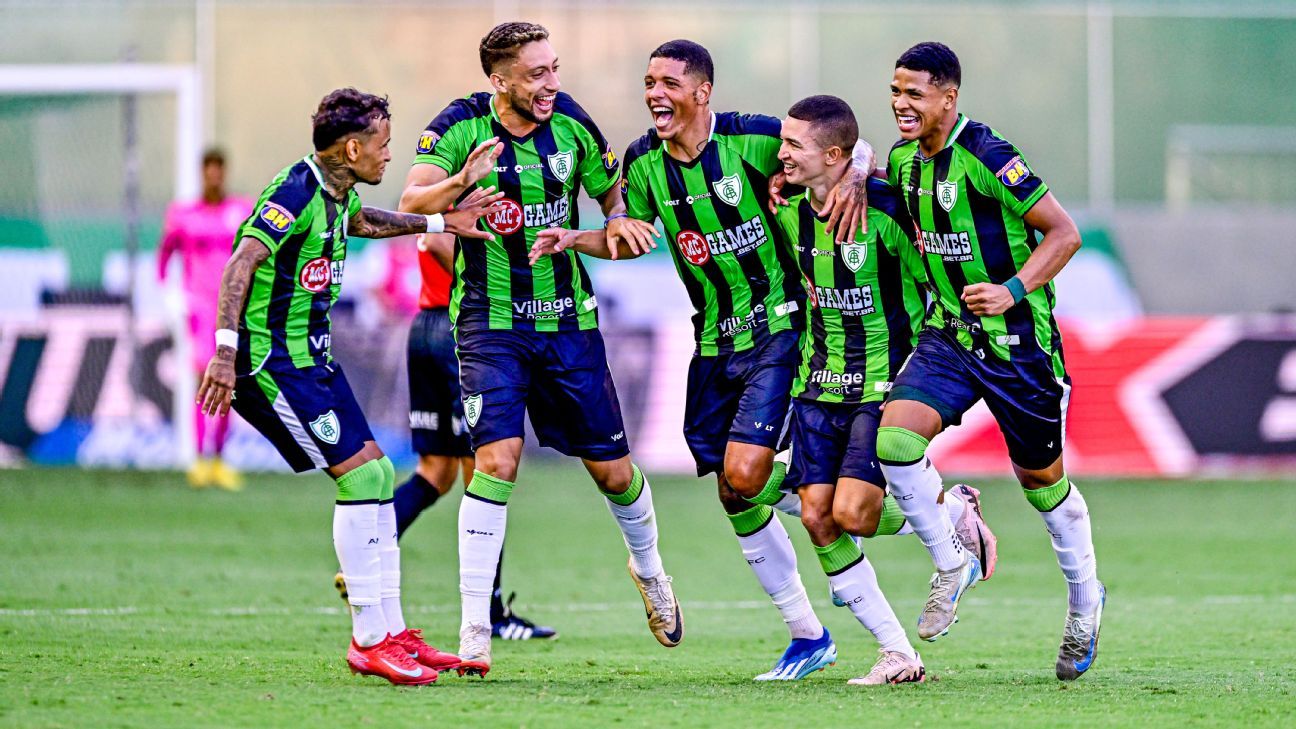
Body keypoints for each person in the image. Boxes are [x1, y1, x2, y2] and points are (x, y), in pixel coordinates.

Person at [531, 40, 875, 682]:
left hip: (781, 327)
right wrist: (576, 238)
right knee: (730, 488)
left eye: (668, 83)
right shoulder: (641, 163)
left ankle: (911, 517)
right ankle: (808, 633)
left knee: (745, 474)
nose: (654, 94)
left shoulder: (752, 139)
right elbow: (627, 237)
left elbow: (843, 149)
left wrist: (856, 174)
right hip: (712, 341)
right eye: (648, 82)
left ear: (702, 92)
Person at [400, 22, 681, 677]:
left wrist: (617, 225)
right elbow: (413, 200)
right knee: (495, 461)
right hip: (488, 325)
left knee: (613, 472)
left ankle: (650, 568)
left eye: (554, 68)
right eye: (536, 74)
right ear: (500, 82)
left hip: (567, 323)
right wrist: (457, 187)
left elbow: (616, 205)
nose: (552, 83)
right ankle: (475, 632)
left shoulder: (574, 125)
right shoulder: (460, 127)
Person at [196, 87, 501, 686]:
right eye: (384, 144)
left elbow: (362, 220)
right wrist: (225, 355)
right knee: (361, 478)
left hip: (314, 361)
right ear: (353, 147)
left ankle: (391, 633)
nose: (390, 155)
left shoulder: (339, 194)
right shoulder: (295, 192)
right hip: (269, 364)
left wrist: (443, 219)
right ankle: (368, 641)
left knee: (382, 474)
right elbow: (241, 262)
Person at [879, 42, 1104, 680]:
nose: (901, 105)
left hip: (1016, 349)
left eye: (915, 94)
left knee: (1043, 486)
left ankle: (1085, 600)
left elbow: (1064, 233)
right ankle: (954, 550)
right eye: (896, 91)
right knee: (894, 442)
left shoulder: (987, 155)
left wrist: (1012, 289)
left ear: (948, 98)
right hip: (948, 338)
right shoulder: (901, 161)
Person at [773, 94, 1001, 685]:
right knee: (820, 520)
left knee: (852, 513)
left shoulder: (892, 211)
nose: (782, 154)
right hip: (816, 383)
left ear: (835, 154)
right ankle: (899, 652)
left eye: (794, 145)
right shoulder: (786, 208)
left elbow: (943, 277)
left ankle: (948, 515)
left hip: (883, 382)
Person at [336, 231, 557, 641]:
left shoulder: (437, 193)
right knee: (487, 476)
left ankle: (363, 560)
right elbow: (438, 244)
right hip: (458, 329)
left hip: (426, 328)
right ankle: (491, 614)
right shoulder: (460, 193)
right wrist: (495, 278)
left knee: (436, 473)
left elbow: (427, 238)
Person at [157, 148, 253, 490]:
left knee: (230, 383)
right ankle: (199, 459)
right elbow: (165, 253)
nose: (214, 177)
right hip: (198, 308)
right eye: (208, 171)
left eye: (219, 171)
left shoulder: (241, 210)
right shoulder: (183, 214)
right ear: (202, 173)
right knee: (204, 377)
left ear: (224, 173)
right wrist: (167, 293)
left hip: (233, 307)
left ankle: (219, 460)